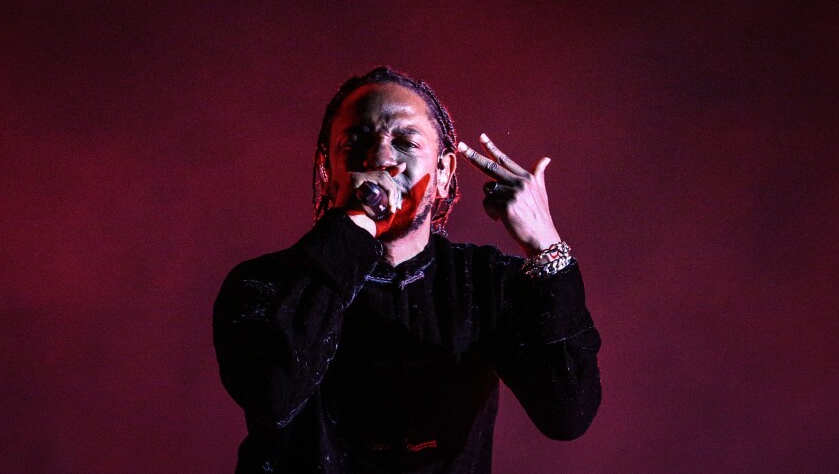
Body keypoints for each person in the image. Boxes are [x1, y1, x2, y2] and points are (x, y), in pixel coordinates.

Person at [213, 67, 601, 473]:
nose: (381, 158)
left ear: (445, 174)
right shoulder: (266, 285)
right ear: (327, 171)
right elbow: (274, 395)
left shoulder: (486, 283)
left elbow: (568, 414)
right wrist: (354, 228)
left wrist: (546, 247)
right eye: (356, 141)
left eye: (406, 141)